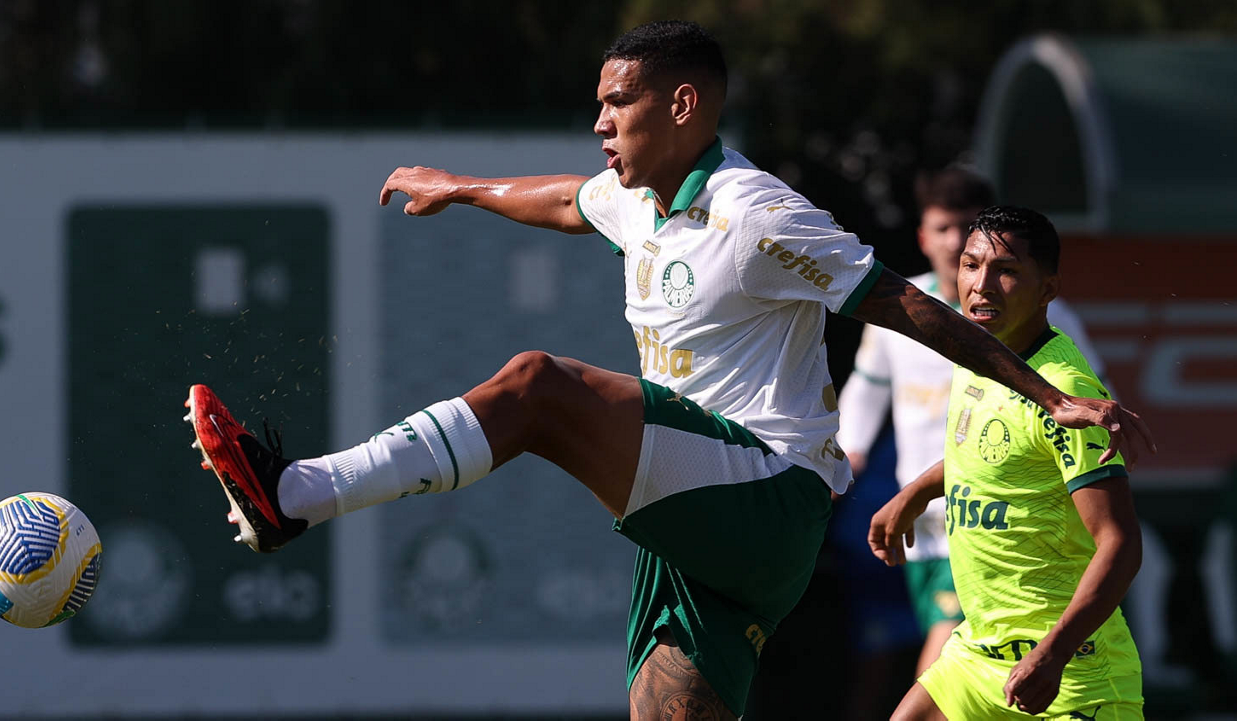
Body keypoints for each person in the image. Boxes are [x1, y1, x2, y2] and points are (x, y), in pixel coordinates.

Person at [183, 21, 1152, 720]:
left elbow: (904, 303)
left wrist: (1046, 394)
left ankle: (294, 494)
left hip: (766, 492)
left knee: (537, 387)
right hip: (701, 519)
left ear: (681, 105)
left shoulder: (757, 212)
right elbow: (566, 201)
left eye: (618, 102)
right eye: (600, 104)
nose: (599, 122)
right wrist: (461, 188)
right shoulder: (636, 198)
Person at [869, 206, 1144, 719]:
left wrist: (1054, 654)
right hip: (975, 659)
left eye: (1007, 271)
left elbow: (1121, 543)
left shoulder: (1068, 393)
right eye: (971, 265)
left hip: (1072, 673)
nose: (981, 285)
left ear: (1048, 289)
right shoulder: (976, 355)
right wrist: (915, 493)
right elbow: (991, 453)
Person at [836, 167, 1107, 679]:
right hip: (925, 521)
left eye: (966, 227)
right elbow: (866, 391)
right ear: (923, 237)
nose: (954, 240)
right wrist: (851, 451)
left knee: (942, 669)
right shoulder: (900, 310)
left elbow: (1088, 401)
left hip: (1003, 518)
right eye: (943, 228)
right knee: (983, 674)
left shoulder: (1043, 318)